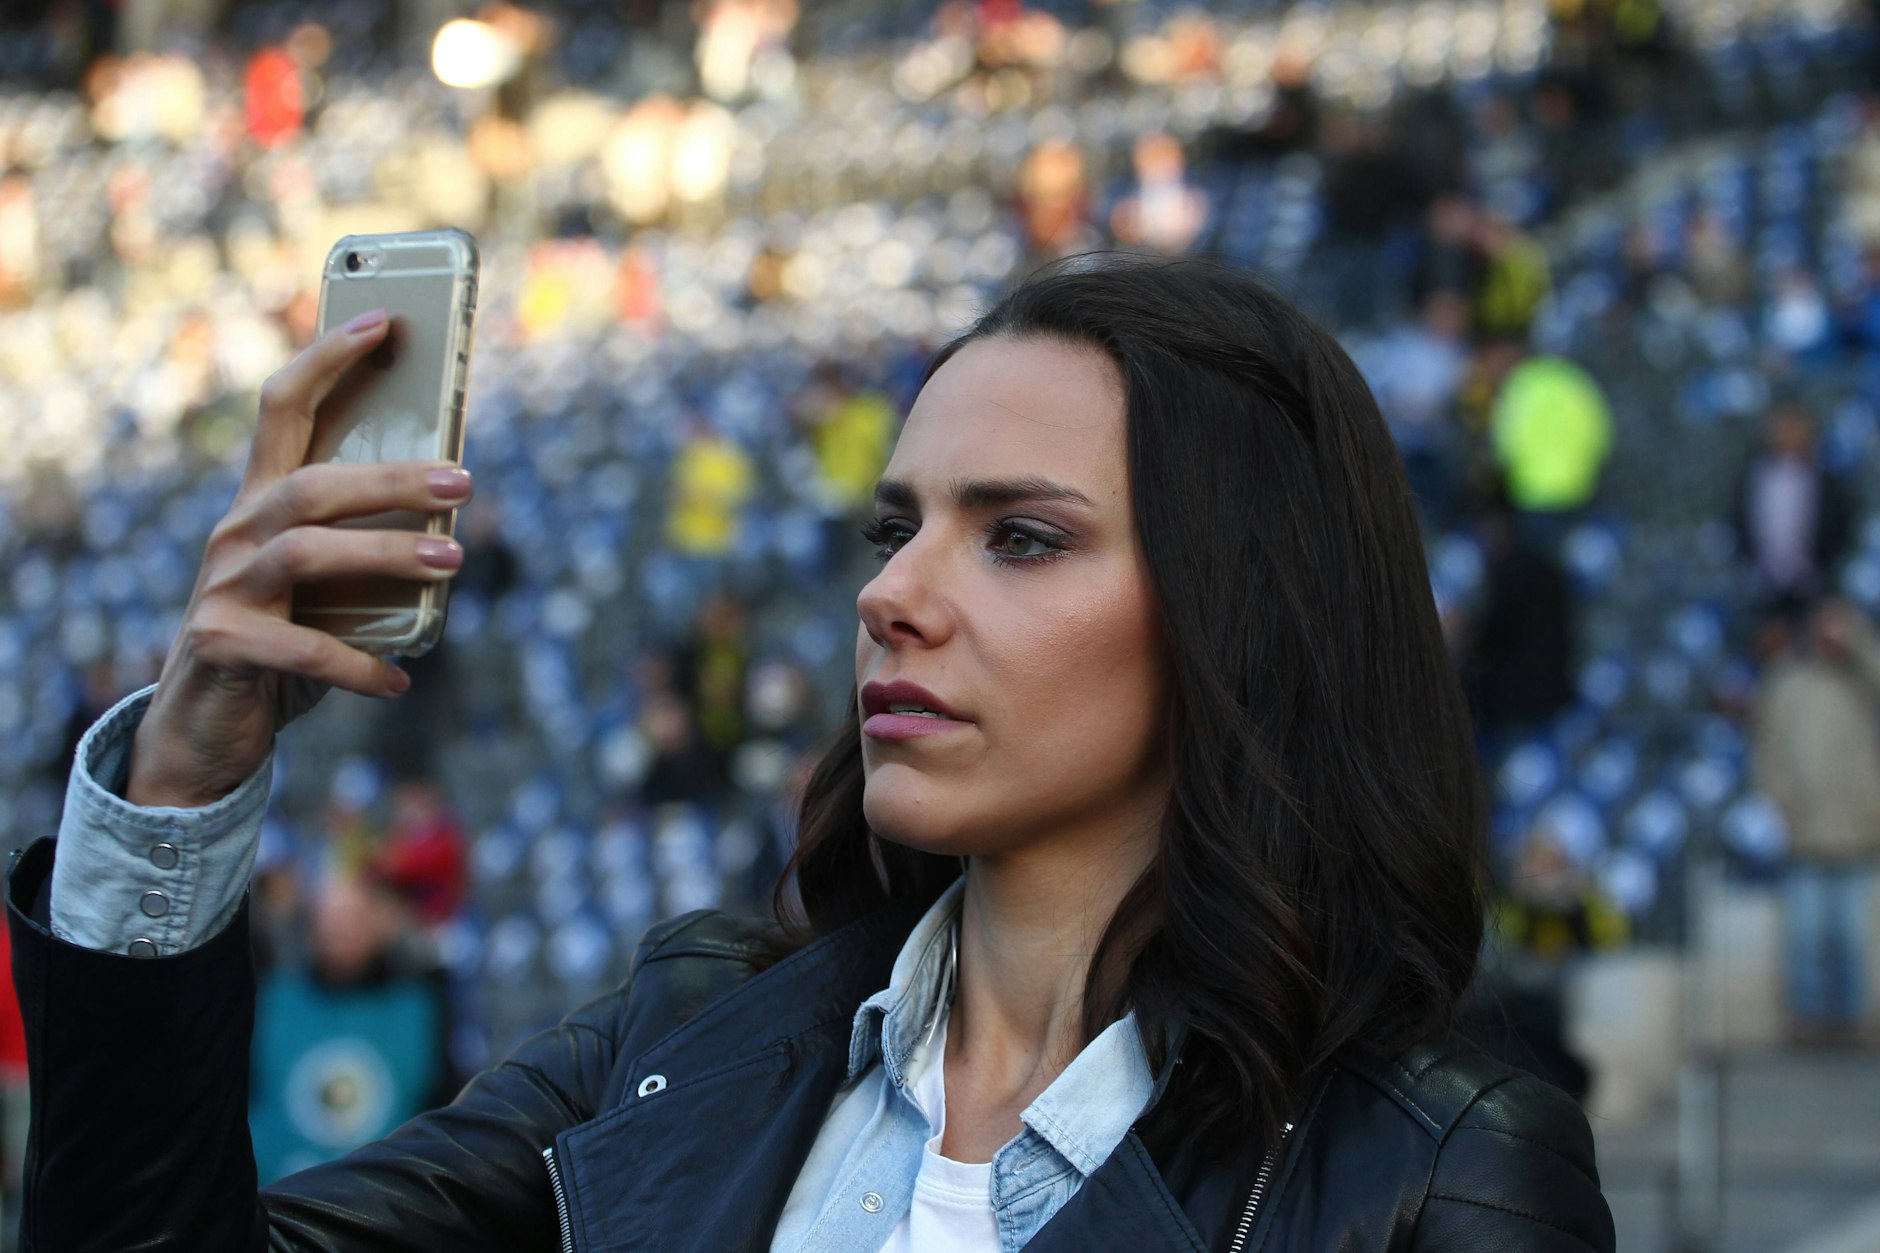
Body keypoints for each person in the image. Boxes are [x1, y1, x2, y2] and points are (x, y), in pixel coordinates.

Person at [7, 257, 1613, 1249]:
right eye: (895, 525)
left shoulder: (1441, 1170)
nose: (892, 593)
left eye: (1025, 538)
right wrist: (185, 778)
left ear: (1242, 618)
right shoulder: (682, 1036)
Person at [1750, 598, 1880, 1044]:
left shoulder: (1861, 680)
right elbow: (1768, 751)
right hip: (1804, 828)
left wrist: (1858, 642)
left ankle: (1848, 1023)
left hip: (1858, 826)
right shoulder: (1787, 680)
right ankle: (1808, 1021)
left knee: (1848, 934)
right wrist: (1779, 802)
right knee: (1806, 935)